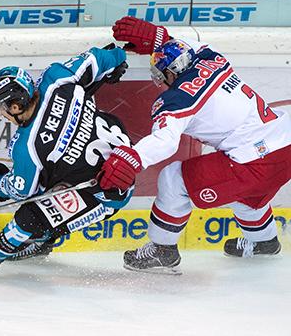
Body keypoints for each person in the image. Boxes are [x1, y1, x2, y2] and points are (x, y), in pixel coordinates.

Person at [99, 16, 291, 274]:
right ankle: (263, 242)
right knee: (243, 192)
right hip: (284, 144)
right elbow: (193, 46)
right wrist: (162, 40)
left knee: (173, 179)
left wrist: (133, 158)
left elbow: (165, 141)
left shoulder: (175, 100)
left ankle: (162, 249)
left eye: (162, 76)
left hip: (253, 161)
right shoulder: (212, 58)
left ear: (169, 73)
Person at [0, 45, 133, 277]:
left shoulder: (27, 147)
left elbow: (21, 189)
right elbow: (99, 57)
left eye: (0, 108)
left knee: (29, 216)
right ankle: (43, 241)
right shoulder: (57, 78)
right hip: (122, 158)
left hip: (104, 194)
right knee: (51, 180)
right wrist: (116, 61)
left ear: (15, 106)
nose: (0, 114)